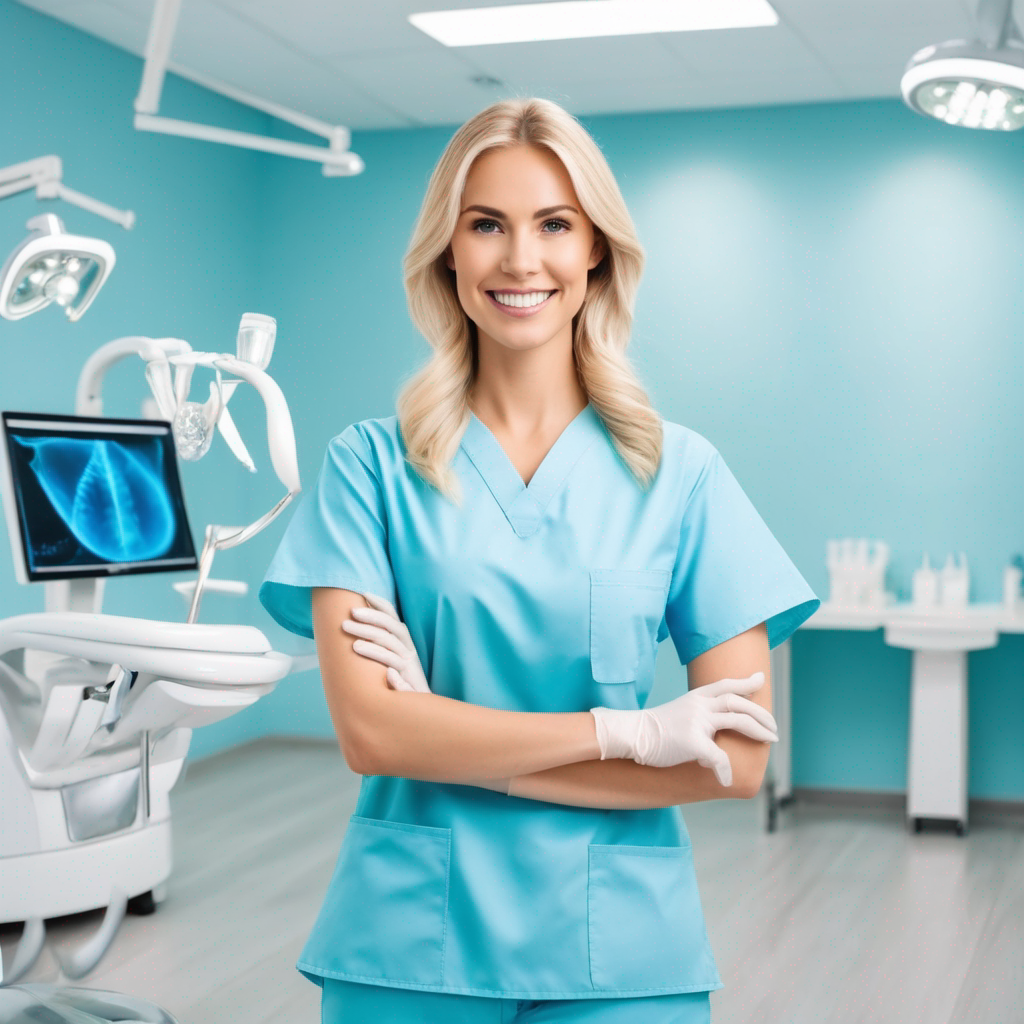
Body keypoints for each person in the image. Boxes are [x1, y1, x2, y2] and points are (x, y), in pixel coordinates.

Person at [259, 96, 820, 1024]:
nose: (521, 260)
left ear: (596, 247)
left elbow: (735, 760)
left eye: (554, 224)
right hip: (411, 942)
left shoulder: (681, 474)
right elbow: (372, 737)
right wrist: (627, 732)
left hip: (622, 949)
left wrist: (443, 727)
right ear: (448, 249)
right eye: (487, 225)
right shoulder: (369, 466)